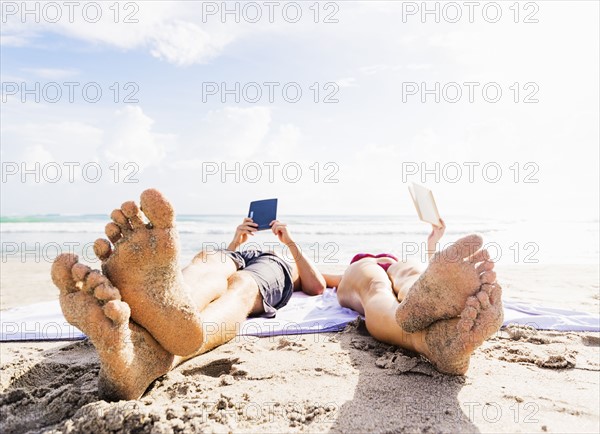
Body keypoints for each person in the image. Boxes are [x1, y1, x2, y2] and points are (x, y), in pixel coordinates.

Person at [51, 189, 502, 401]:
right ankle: (161, 321)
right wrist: (235, 242)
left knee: (384, 275)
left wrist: (288, 245)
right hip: (240, 256)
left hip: (286, 265)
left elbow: (312, 286)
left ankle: (427, 321)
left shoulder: (342, 263)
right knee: (214, 263)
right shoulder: (242, 244)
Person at [324, 219, 503, 375]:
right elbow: (319, 281)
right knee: (400, 278)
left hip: (373, 268)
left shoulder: (371, 263)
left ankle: (425, 337)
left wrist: (433, 241)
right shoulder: (380, 262)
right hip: (385, 266)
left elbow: (438, 276)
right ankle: (431, 327)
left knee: (383, 286)